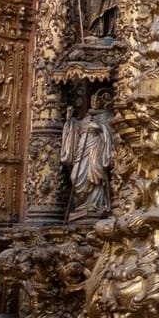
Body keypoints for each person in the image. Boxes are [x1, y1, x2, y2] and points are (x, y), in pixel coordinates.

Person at [62, 88, 115, 222]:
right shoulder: (86, 117)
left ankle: (95, 205)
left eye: (96, 100)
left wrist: (99, 128)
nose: (93, 102)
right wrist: (69, 121)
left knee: (96, 176)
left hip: (96, 149)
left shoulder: (108, 116)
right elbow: (76, 128)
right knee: (75, 176)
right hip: (83, 149)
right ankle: (82, 204)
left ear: (102, 101)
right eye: (91, 100)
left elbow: (111, 133)